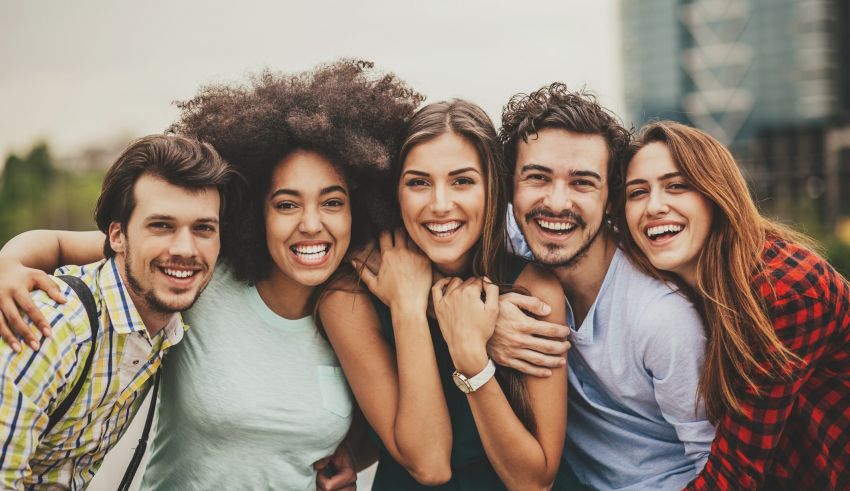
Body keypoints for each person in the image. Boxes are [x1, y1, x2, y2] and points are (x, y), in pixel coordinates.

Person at [0, 60, 423, 489]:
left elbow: (401, 443)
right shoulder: (196, 274)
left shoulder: (355, 306)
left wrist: (349, 453)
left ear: (361, 208)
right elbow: (69, 246)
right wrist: (6, 265)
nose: (311, 223)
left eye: (332, 202)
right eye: (287, 204)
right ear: (256, 212)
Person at [319, 99, 571, 490]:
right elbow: (429, 466)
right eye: (418, 182)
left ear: (493, 189)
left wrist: (471, 357)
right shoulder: (348, 297)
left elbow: (533, 481)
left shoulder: (534, 290)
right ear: (394, 193)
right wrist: (408, 308)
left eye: (463, 181)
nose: (439, 205)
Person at [489, 84, 716, 489]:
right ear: (511, 189)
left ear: (611, 200)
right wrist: (482, 311)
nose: (556, 203)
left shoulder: (662, 318)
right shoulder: (520, 239)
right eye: (538, 178)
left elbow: (711, 463)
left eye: (582, 183)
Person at [617, 120, 850, 490]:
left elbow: (734, 477)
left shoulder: (785, 290)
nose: (654, 206)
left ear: (715, 192)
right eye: (636, 192)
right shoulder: (674, 288)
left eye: (676, 186)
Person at [0, 134, 241, 489]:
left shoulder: (162, 313)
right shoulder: (49, 331)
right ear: (117, 236)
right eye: (162, 225)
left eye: (204, 228)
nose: (186, 249)